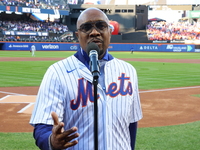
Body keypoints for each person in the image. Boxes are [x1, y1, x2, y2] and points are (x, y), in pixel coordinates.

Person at [30, 7, 143, 150]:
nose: (94, 32)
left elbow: (131, 124)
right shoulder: (56, 72)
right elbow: (42, 127)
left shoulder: (128, 71)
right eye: (86, 27)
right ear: (78, 35)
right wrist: (51, 141)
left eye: (101, 26)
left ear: (110, 31)